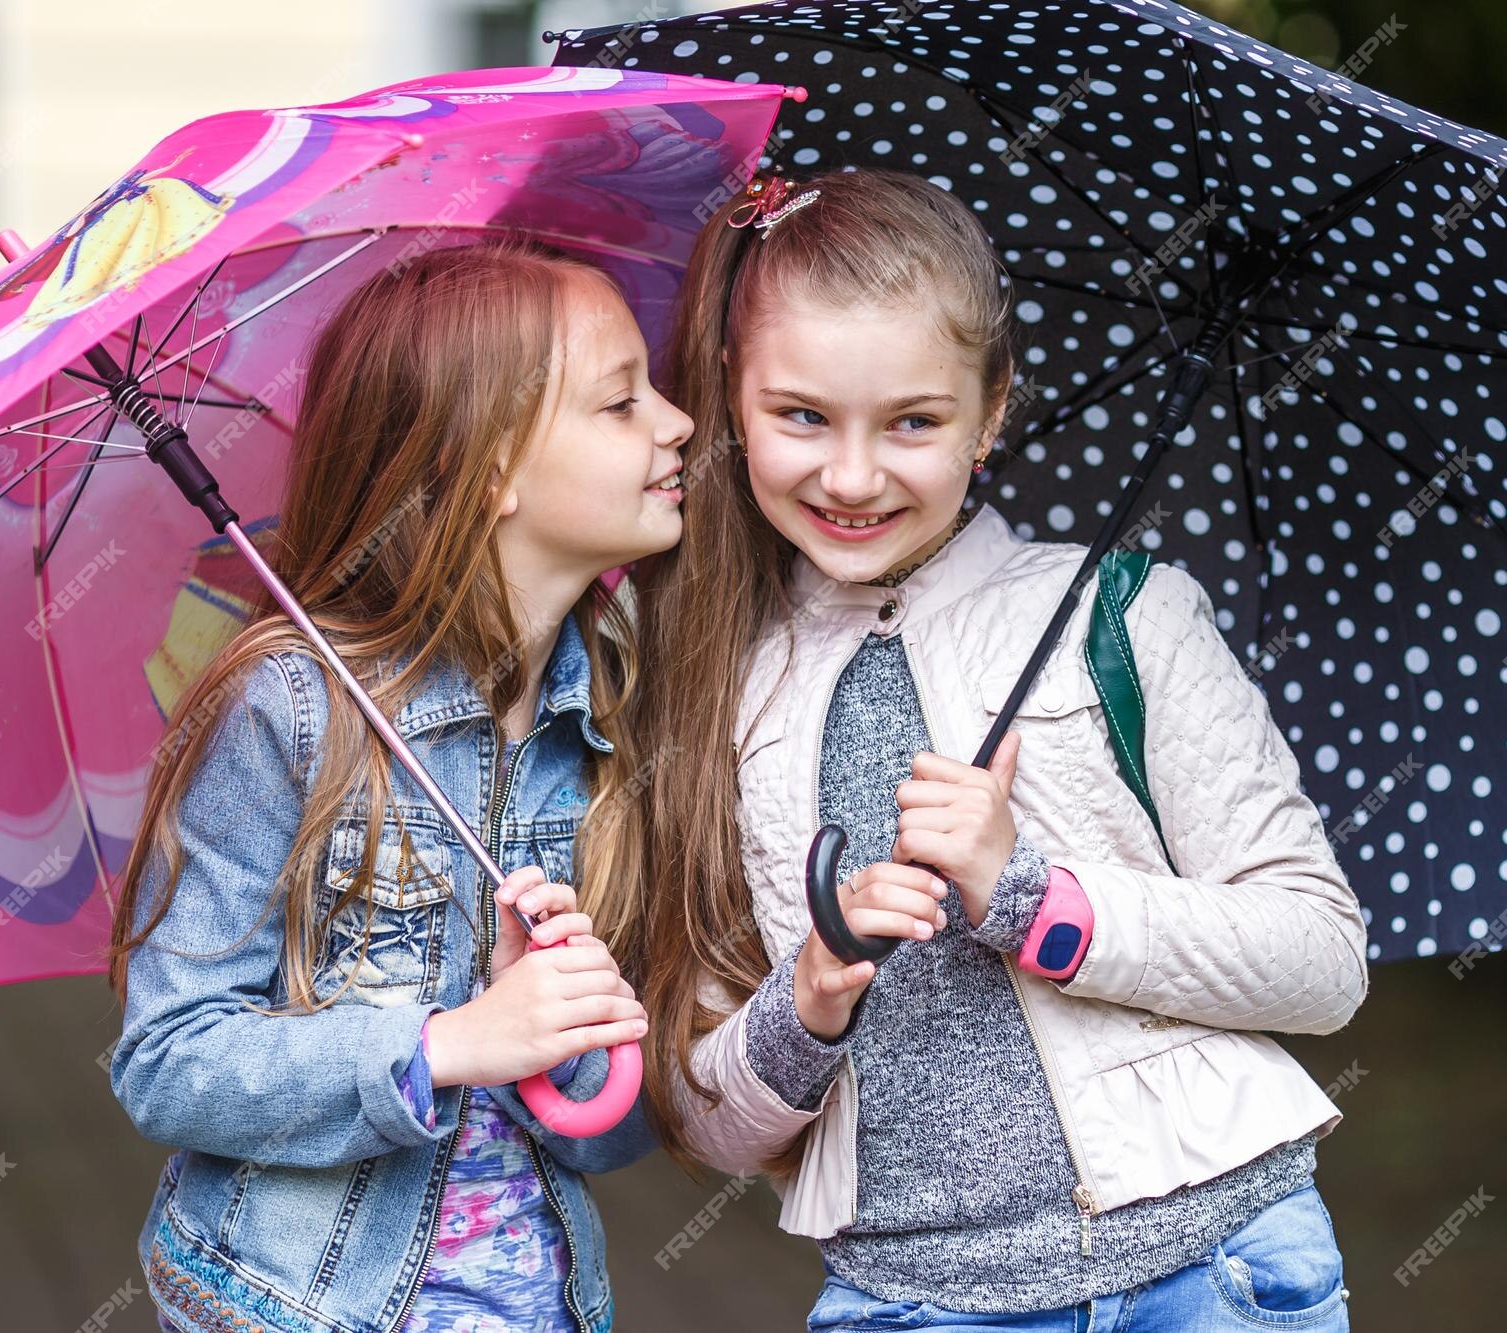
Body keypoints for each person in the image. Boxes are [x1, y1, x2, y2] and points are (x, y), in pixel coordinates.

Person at [634, 166, 1369, 1331]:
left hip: (1211, 1269)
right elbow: (706, 1117)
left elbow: (1323, 963)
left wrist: (1026, 894)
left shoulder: (1124, 616)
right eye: (801, 416)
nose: (852, 476)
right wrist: (809, 1000)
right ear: (730, 394)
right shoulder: (707, 690)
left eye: (914, 422)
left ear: (993, 409)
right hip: (909, 1301)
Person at [107, 237, 692, 1332]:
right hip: (298, 1304)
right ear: (488, 470)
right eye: (620, 404)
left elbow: (606, 1137)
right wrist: (446, 1042)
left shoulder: (610, 719)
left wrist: (572, 1029)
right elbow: (167, 1062)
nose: (678, 423)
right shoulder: (291, 708)